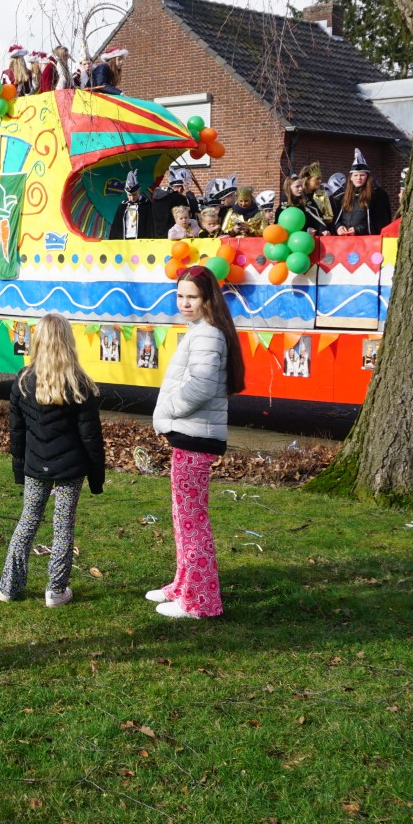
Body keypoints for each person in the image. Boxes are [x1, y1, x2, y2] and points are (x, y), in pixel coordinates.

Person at [148, 264, 244, 619]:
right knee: (182, 518)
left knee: (192, 523)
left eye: (192, 297)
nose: (184, 303)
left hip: (195, 438)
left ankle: (201, 602)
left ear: (208, 299)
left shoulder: (208, 335)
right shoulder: (203, 331)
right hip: (191, 435)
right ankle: (183, 586)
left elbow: (201, 387)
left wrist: (166, 411)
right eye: (180, 296)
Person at [0, 314, 106, 607]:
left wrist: (20, 470)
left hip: (36, 466)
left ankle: (9, 586)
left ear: (39, 341)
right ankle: (56, 591)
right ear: (68, 342)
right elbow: (91, 439)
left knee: (28, 521)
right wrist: (96, 477)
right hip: (70, 468)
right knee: (63, 526)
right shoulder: (79, 384)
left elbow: (16, 434)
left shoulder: (23, 381)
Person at [332, 150, 394, 236]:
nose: (359, 178)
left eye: (362, 175)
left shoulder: (377, 195)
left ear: (367, 177)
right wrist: (338, 227)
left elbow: (381, 222)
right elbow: (337, 219)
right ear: (351, 178)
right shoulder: (343, 195)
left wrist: (358, 229)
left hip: (367, 240)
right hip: (346, 239)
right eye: (356, 175)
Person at [149, 169, 195, 236]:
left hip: (156, 236)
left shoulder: (156, 198)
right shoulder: (179, 198)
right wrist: (188, 192)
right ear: (180, 188)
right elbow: (193, 209)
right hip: (174, 235)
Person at [301, 162, 336, 229]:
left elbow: (329, 219)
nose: (320, 181)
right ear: (307, 180)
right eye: (317, 178)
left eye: (320, 178)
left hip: (324, 231)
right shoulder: (299, 196)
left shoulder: (321, 195)